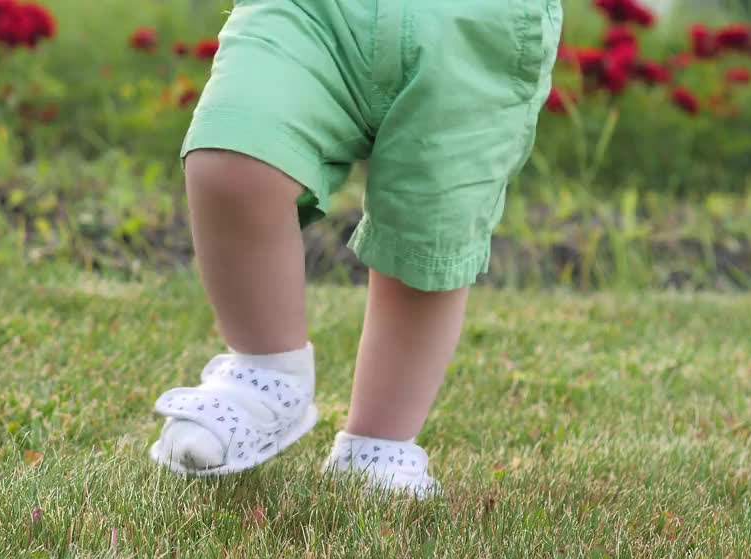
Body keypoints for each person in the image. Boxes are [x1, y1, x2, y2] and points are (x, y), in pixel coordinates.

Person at [150, 0, 562, 497]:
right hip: (316, 11)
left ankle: (378, 447)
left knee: (425, 241)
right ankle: (265, 374)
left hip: (474, 26)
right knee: (233, 151)